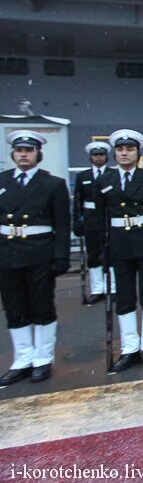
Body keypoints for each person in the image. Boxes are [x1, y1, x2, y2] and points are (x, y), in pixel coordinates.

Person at [95, 130, 143, 373]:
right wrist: (102, 252)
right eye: (120, 149)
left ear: (138, 153)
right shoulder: (104, 181)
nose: (124, 153)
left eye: (129, 149)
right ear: (114, 153)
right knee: (125, 299)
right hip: (119, 246)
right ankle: (129, 348)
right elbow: (99, 219)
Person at [0, 131, 70, 386]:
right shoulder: (3, 181)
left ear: (38, 154)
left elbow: (62, 225)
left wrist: (61, 256)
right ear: (13, 154)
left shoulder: (52, 184)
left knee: (41, 306)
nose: (24, 155)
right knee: (14, 307)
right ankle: (22, 358)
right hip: (7, 254)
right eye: (19, 151)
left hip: (39, 253)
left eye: (29, 151)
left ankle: (42, 358)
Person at [73, 141, 114, 304]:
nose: (99, 157)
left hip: (109, 218)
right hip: (90, 220)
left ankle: (113, 287)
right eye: (96, 155)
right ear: (91, 157)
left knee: (111, 253)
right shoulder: (82, 176)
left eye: (102, 155)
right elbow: (77, 201)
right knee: (93, 255)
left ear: (106, 157)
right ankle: (98, 289)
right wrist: (76, 221)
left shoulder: (112, 174)